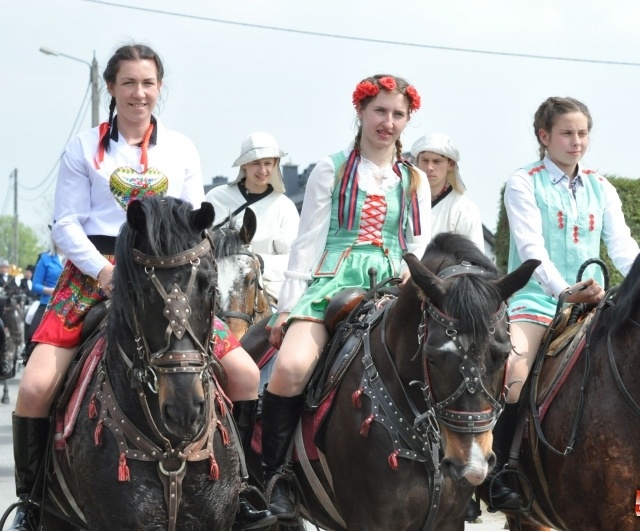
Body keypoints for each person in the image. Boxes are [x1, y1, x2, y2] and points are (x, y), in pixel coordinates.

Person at [10, 44, 272, 531]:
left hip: (168, 278)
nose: (139, 92)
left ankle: (246, 493)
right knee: (35, 386)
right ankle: (32, 502)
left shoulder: (181, 148)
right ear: (111, 87)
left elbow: (194, 225)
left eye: (148, 83)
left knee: (245, 376)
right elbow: (65, 224)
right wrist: (105, 271)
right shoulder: (83, 148)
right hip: (96, 272)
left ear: (159, 89)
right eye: (128, 82)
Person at [260, 74, 431, 521]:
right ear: (360, 112)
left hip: (395, 285)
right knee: (292, 368)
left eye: (398, 114)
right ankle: (274, 477)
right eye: (380, 111)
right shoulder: (331, 168)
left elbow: (418, 246)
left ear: (407, 120)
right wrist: (285, 308)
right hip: (333, 281)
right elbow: (307, 240)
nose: (387, 122)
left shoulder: (414, 179)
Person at [492, 96, 640, 510]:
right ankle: (499, 472)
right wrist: (562, 292)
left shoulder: (601, 186)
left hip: (593, 303)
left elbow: (622, 245)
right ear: (544, 137)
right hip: (537, 301)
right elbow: (530, 247)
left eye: (583, 133)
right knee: (514, 372)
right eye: (567, 133)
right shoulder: (523, 182)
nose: (577, 142)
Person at [205, 132, 300, 302]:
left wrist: (258, 262)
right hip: (217, 288)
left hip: (265, 290)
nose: (262, 170)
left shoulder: (285, 207)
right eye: (255, 163)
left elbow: (295, 259)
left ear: (276, 164)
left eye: (268, 163)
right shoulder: (216, 198)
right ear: (244, 165)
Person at [411, 133, 485, 251]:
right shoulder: (403, 202)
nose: (430, 167)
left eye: (437, 161)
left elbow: (474, 261)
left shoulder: (464, 209)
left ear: (450, 164)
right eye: (425, 160)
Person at [24, 239, 63, 349]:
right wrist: (49, 290)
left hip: (71, 302)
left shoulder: (75, 257)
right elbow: (36, 285)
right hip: (48, 301)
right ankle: (27, 349)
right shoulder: (45, 259)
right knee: (31, 321)